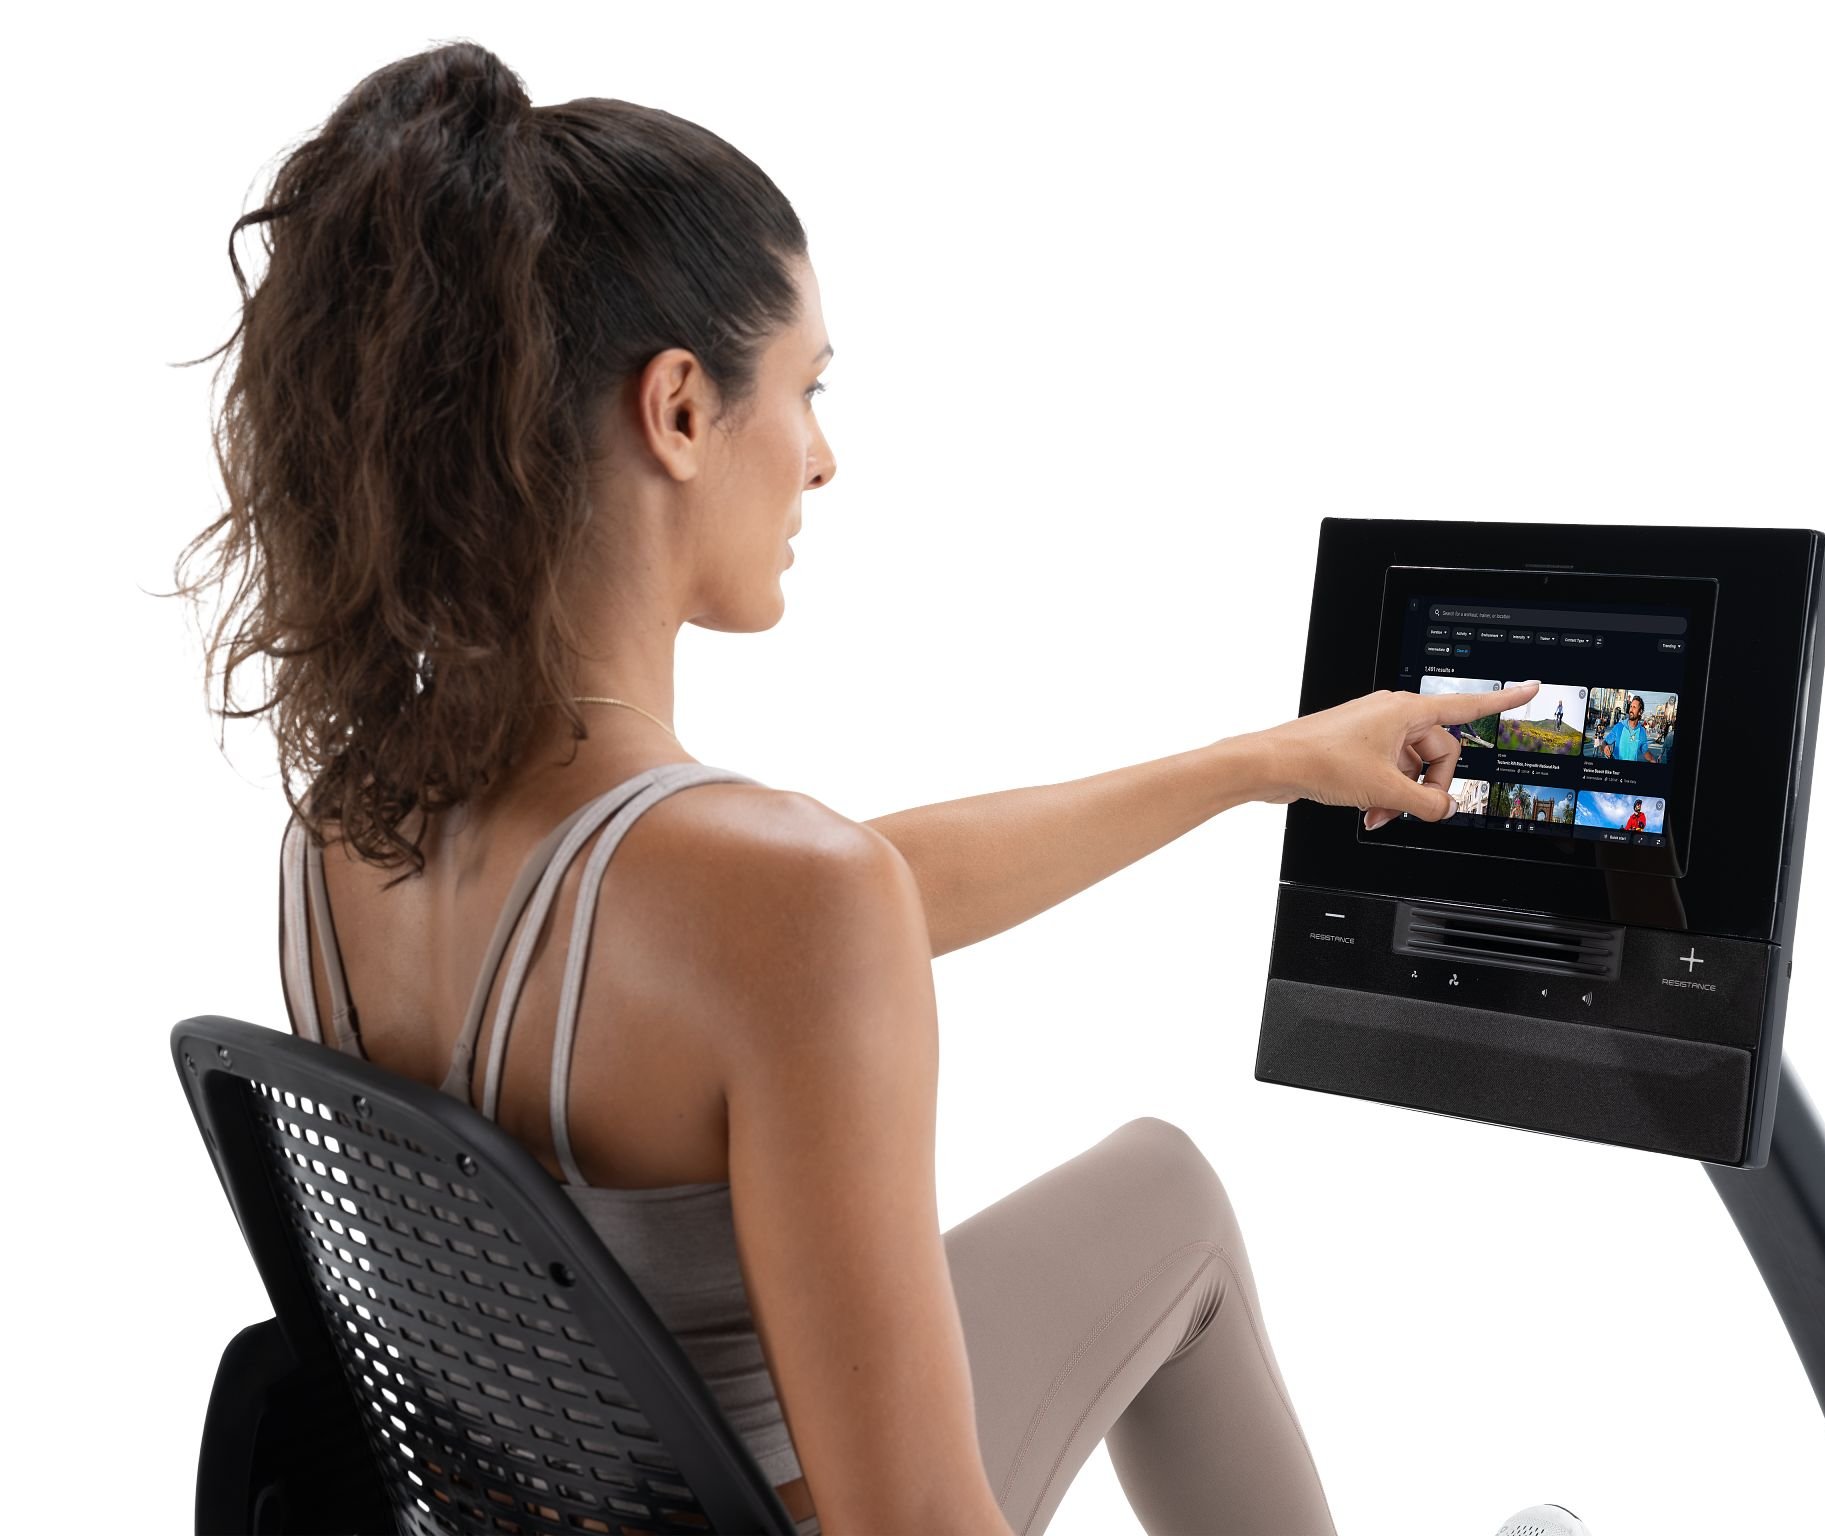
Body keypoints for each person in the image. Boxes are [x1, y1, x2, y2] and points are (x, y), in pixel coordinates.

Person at [170, 42, 1551, 1536]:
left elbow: (802, 915)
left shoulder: (343, 836)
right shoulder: (773, 903)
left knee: (1147, 1185)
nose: (821, 460)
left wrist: (1256, 765)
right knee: (1173, 1206)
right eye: (806, 388)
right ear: (678, 411)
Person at [1598, 694, 1650, 760]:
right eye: (1631, 706)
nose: (1631, 709)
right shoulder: (1619, 727)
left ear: (1640, 712)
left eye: (1634, 707)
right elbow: (1604, 742)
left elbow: (1645, 751)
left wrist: (1653, 760)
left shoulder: (1642, 731)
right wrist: (1605, 747)